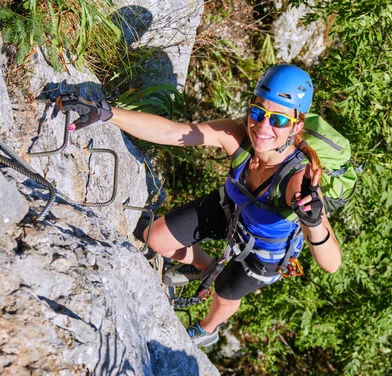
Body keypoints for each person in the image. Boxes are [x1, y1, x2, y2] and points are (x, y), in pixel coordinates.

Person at [60, 64, 342, 347]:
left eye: (278, 120)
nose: (263, 127)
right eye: (257, 112)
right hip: (231, 210)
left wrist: (314, 223)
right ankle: (205, 266)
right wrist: (107, 113)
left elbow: (331, 264)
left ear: (297, 126)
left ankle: (208, 329)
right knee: (155, 238)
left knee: (223, 292)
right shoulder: (236, 137)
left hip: (264, 251)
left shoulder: (298, 179)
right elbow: (174, 132)